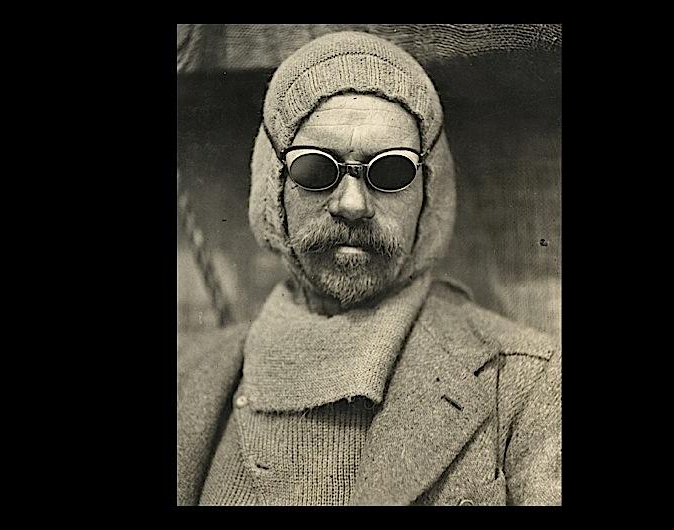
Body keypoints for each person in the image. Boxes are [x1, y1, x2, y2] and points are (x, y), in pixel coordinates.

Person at [177, 30, 561, 506]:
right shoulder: (189, 376)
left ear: (429, 194)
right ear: (273, 188)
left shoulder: (527, 384)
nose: (353, 204)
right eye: (316, 169)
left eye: (391, 171)